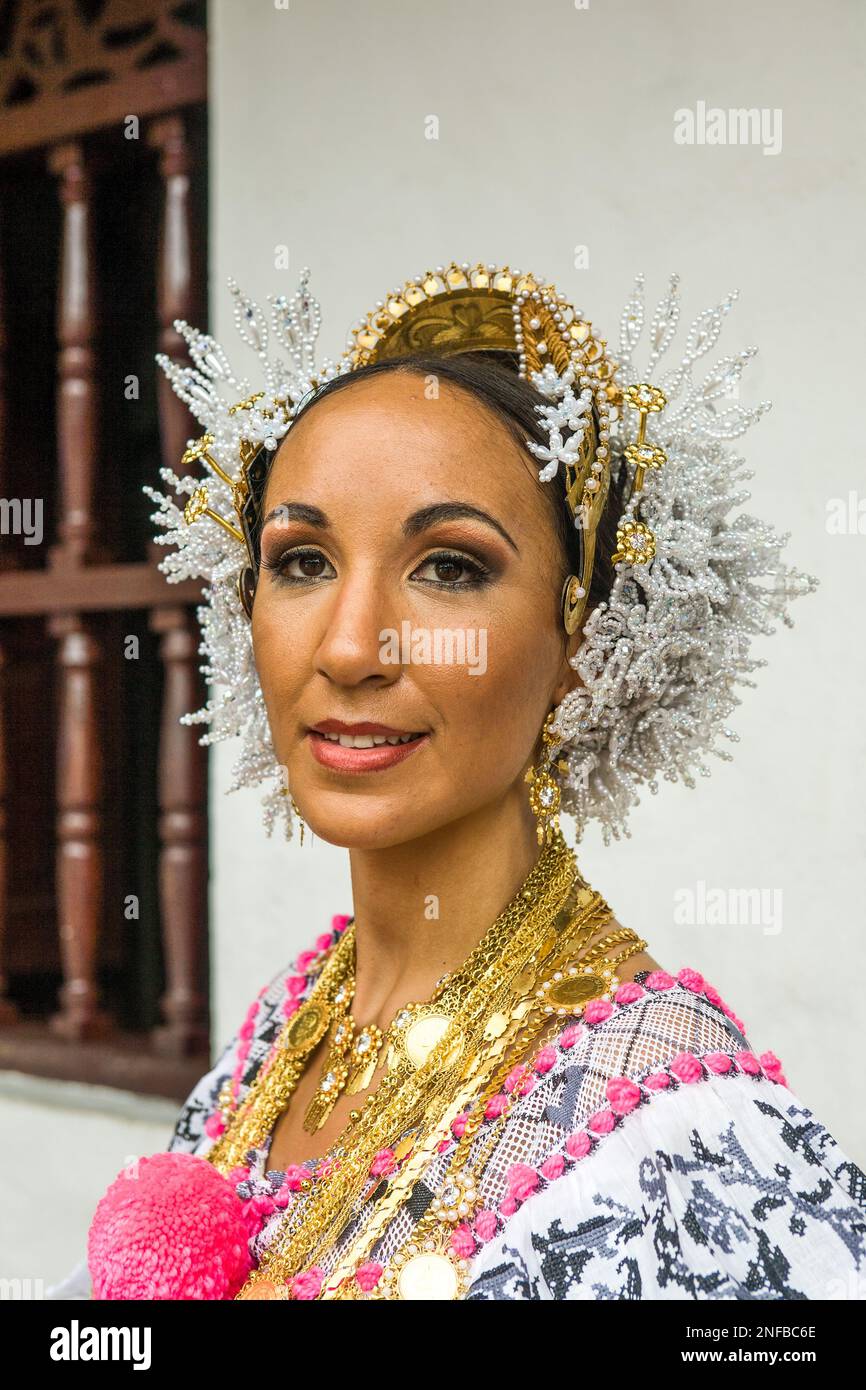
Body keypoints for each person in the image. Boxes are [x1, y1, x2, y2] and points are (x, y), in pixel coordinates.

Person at [50, 261, 866, 1301]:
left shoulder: (678, 1142)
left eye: (449, 566)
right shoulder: (279, 1031)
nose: (348, 647)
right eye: (301, 560)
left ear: (584, 637)